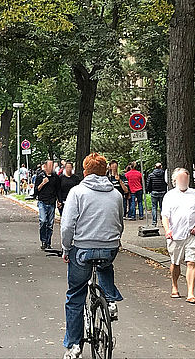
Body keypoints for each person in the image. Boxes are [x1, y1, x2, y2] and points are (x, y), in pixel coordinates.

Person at [61, 153, 123, 359]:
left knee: (75, 295)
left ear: (85, 171)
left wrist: (65, 247)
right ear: (105, 171)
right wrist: (115, 242)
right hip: (109, 247)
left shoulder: (77, 192)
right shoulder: (115, 194)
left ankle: (73, 345)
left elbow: (68, 225)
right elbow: (119, 222)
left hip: (83, 249)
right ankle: (110, 300)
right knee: (106, 266)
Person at [162, 168, 195, 304]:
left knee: (191, 262)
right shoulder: (169, 196)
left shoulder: (194, 193)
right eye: (180, 179)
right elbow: (165, 216)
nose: (183, 181)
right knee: (175, 263)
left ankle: (190, 293)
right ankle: (174, 286)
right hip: (175, 235)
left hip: (191, 235)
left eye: (185, 179)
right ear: (175, 181)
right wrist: (167, 230)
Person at [34, 160, 61, 250]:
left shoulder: (55, 177)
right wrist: (43, 183)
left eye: (52, 166)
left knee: (50, 224)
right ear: (45, 166)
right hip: (42, 202)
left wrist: (59, 201)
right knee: (43, 221)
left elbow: (58, 190)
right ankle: (43, 240)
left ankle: (48, 242)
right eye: (49, 166)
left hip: (51, 202)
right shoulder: (40, 176)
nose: (51, 168)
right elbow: (36, 190)